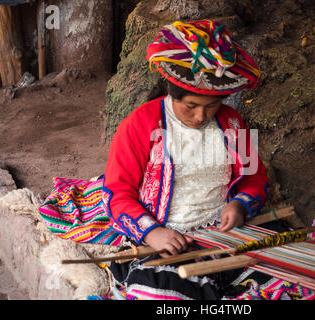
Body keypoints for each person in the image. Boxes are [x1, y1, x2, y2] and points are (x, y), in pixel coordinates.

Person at [101, 20, 297, 300]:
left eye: (212, 106)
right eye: (190, 106)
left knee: (288, 269)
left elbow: (256, 179)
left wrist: (239, 204)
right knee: (162, 291)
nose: (201, 116)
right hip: (168, 238)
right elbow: (117, 194)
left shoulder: (233, 123)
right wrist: (152, 233)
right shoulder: (139, 125)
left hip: (224, 233)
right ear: (172, 92)